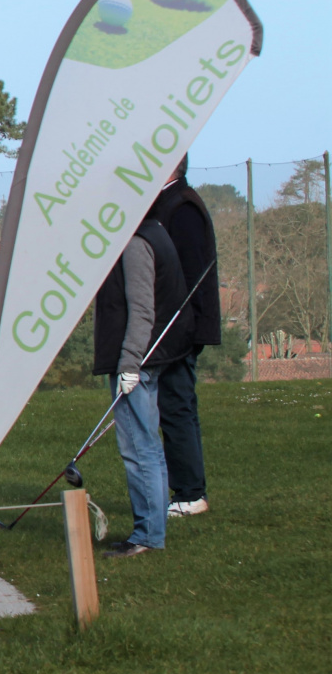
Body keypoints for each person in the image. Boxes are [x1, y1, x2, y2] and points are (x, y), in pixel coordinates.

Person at [92, 214, 194, 557]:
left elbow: (143, 311)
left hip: (139, 361)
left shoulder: (137, 241)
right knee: (148, 447)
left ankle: (148, 535)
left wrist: (130, 364)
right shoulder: (156, 230)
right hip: (151, 358)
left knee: (139, 450)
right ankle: (152, 531)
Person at [148, 155, 220, 517]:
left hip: (179, 325)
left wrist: (181, 324)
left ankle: (190, 493)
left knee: (177, 407)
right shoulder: (170, 202)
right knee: (174, 407)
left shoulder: (182, 205)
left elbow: (192, 272)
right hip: (173, 323)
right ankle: (187, 490)